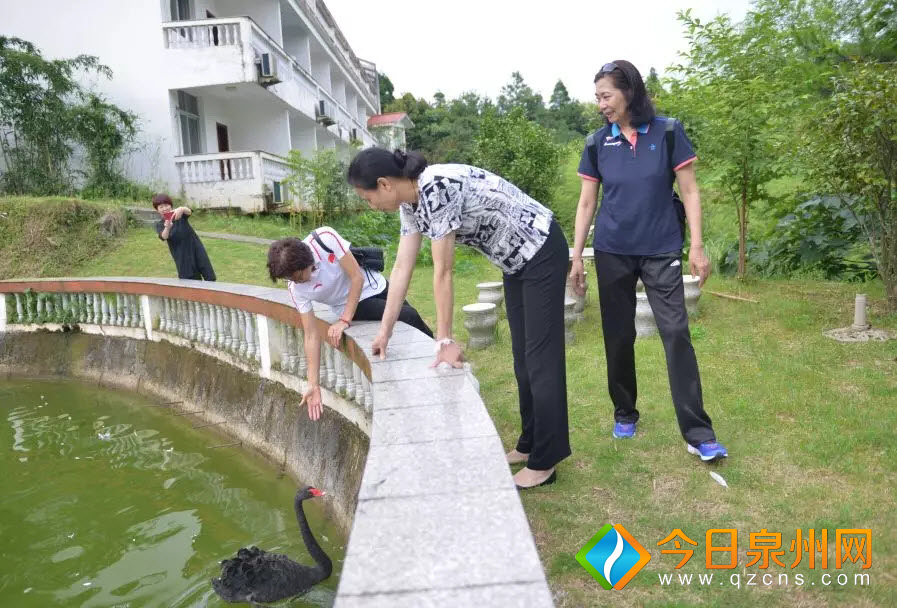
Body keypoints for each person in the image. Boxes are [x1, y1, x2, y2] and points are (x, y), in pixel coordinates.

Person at [347, 148, 571, 489]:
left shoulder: (435, 187)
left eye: (368, 197)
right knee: (523, 359)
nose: (370, 205)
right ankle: (530, 443)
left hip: (540, 251)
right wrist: (385, 331)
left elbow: (444, 271)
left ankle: (546, 462)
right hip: (515, 263)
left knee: (541, 358)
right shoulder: (411, 203)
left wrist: (445, 340)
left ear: (384, 184)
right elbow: (402, 267)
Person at [569, 59, 728, 461]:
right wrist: (576, 256)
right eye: (598, 97)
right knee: (619, 335)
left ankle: (698, 432)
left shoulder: (669, 132)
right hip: (612, 249)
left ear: (629, 92)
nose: (601, 104)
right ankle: (625, 411)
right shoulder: (596, 142)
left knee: (676, 332)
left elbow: (690, 191)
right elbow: (587, 201)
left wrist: (696, 245)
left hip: (662, 247)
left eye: (606, 95)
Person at [267, 227, 432, 420]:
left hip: (376, 285)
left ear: (306, 263)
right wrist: (313, 384)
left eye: (297, 276)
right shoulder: (296, 289)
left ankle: (435, 355)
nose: (295, 282)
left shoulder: (324, 239)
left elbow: (357, 277)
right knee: (408, 316)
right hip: (354, 305)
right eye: (289, 278)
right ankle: (437, 361)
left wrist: (344, 321)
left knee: (413, 323)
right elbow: (310, 334)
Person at [152, 193, 216, 281]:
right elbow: (164, 237)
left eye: (166, 205)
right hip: (181, 256)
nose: (164, 209)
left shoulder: (179, 214)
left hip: (195, 248)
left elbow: (189, 211)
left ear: (170, 205)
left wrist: (181, 209)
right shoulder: (160, 224)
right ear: (157, 210)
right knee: (191, 282)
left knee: (209, 276)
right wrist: (167, 227)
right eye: (161, 207)